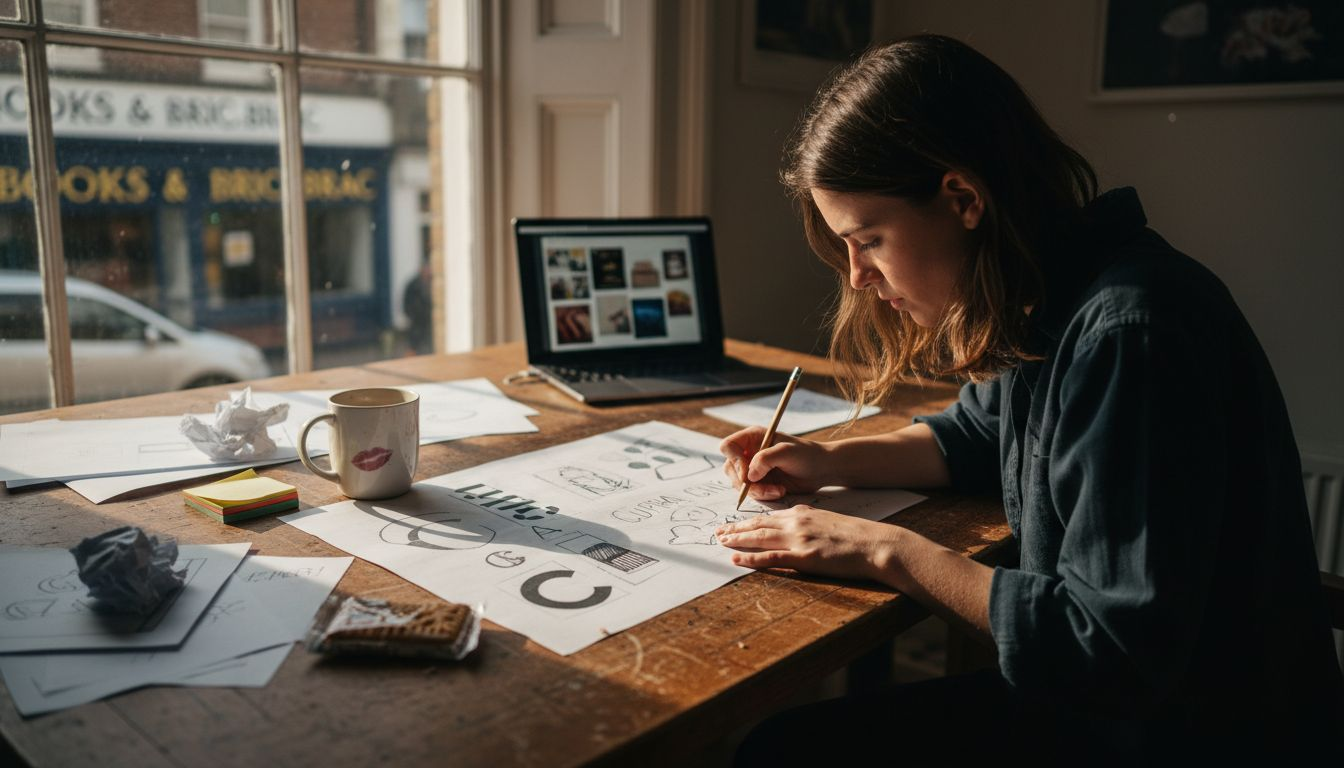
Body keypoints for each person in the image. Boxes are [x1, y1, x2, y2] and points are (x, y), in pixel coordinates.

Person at [715, 34, 1343, 762]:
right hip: (1115, 710)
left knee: (782, 754)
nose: (857, 277)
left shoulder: (1129, 331)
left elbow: (1106, 647)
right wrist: (824, 460)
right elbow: (974, 438)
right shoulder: (1048, 292)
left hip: (1186, 736)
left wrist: (884, 550)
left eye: (871, 240)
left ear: (962, 198)